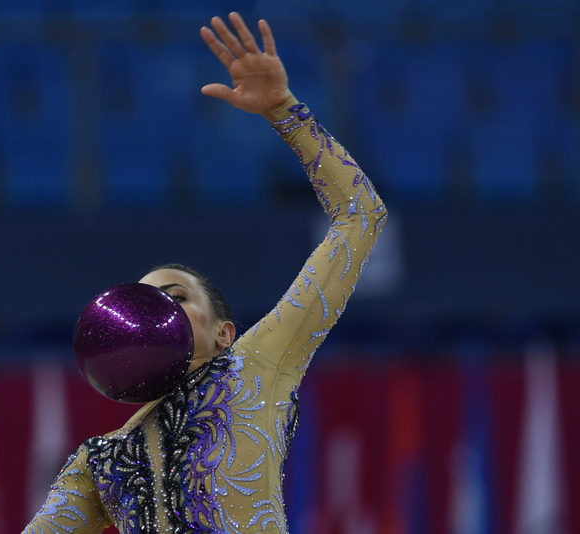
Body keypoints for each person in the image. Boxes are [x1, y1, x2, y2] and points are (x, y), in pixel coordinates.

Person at [23, 12, 387, 534]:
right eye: (142, 301)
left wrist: (284, 111)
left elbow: (359, 218)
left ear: (224, 334)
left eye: (174, 297)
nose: (153, 313)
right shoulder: (99, 464)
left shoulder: (256, 367)